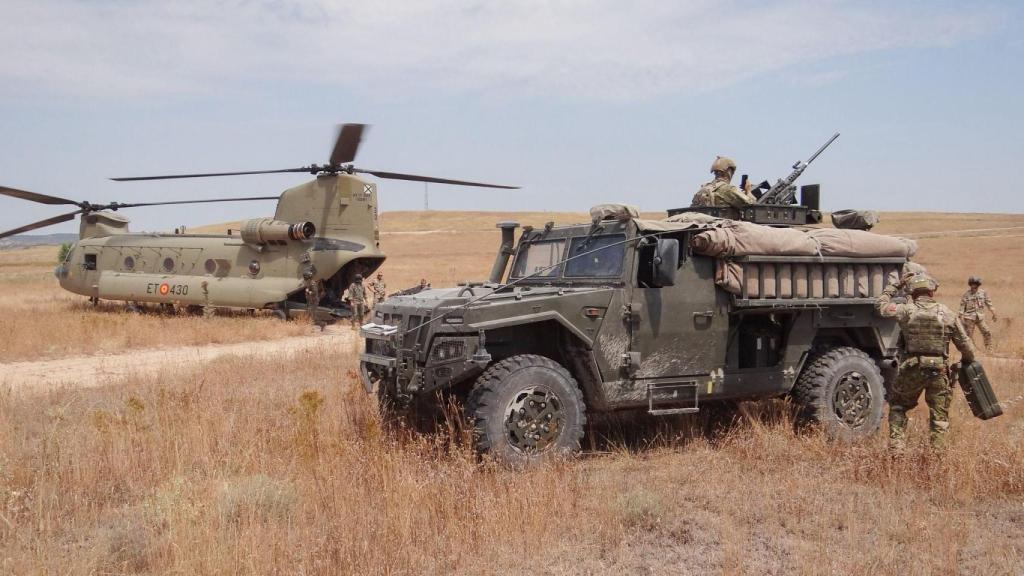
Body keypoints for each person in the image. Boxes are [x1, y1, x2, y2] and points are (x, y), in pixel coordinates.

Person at [876, 273, 976, 451]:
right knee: (939, 416)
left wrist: (896, 285)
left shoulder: (905, 310)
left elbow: (880, 306)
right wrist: (966, 362)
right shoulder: (947, 313)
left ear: (912, 292)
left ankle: (897, 449)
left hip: (911, 368)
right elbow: (966, 347)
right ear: (932, 292)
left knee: (898, 407)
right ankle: (937, 455)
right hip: (939, 370)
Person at [690, 156, 757, 208]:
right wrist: (748, 191)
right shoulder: (728, 189)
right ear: (729, 172)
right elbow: (752, 206)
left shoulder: (703, 188)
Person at [959, 276, 996, 350]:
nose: (974, 285)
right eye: (972, 284)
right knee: (968, 336)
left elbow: (989, 303)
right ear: (970, 284)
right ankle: (970, 351)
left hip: (980, 317)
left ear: (978, 284)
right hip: (969, 318)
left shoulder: (983, 293)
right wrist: (961, 317)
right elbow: (962, 306)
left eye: (975, 284)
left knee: (987, 332)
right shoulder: (966, 295)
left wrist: (994, 313)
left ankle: (989, 350)